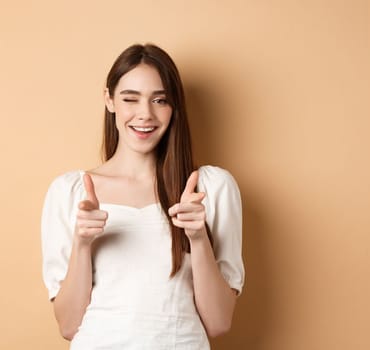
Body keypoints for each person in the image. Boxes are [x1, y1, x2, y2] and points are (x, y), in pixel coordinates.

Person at [40, 43, 244, 349]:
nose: (145, 115)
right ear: (109, 100)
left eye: (159, 100)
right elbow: (69, 326)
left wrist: (198, 238)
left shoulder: (211, 189)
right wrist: (82, 245)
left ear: (174, 106)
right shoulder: (70, 192)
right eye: (130, 99)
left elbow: (218, 322)